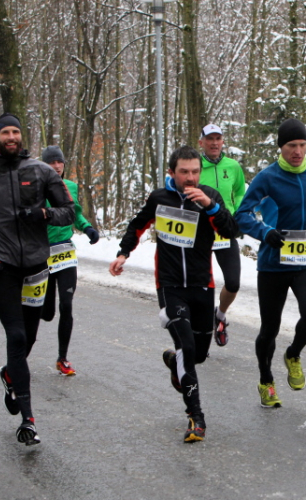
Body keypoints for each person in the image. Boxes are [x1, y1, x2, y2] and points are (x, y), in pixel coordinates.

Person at [108, 145, 238, 443]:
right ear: (171, 172)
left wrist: (211, 206)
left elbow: (231, 231)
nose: (190, 178)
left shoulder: (209, 197)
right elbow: (137, 226)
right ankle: (196, 418)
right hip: (169, 286)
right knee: (187, 349)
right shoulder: (159, 198)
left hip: (202, 286)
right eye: (184, 172)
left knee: (199, 355)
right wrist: (123, 253)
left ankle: (173, 362)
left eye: (195, 172)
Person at [0, 113, 75, 446]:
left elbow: (69, 211)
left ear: (21, 136)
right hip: (1, 263)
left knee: (29, 338)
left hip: (37, 264)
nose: (11, 137)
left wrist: (43, 214)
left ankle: (10, 374)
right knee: (15, 335)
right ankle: (28, 420)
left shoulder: (41, 171)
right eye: (5, 133)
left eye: (15, 132)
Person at [234, 118, 306, 409]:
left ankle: (293, 354)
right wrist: (264, 232)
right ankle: (266, 381)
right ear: (281, 147)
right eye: (291, 145)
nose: (297, 151)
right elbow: (242, 215)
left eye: (302, 145)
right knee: (269, 328)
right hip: (274, 264)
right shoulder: (267, 178)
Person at [40, 145, 100, 376]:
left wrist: (87, 227)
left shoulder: (70, 187)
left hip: (65, 251)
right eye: (51, 163)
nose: (56, 166)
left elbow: (75, 213)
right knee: (46, 313)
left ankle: (62, 358)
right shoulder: (37, 187)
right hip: (43, 253)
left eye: (60, 162)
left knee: (66, 305)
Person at [198, 124, 245, 347]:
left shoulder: (233, 166)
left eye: (218, 138)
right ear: (202, 143)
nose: (214, 143)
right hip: (200, 233)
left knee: (233, 283)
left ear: (223, 141)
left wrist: (237, 216)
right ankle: (199, 333)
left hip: (225, 231)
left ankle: (220, 315)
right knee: (201, 285)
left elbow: (240, 192)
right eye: (210, 139)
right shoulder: (196, 167)